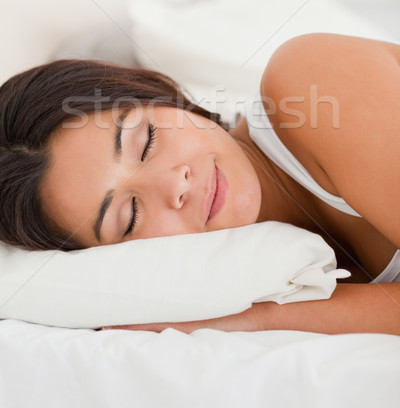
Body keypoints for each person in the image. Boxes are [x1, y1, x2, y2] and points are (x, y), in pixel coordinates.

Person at [0, 32, 399, 335]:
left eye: (147, 141)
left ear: (159, 97)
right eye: (130, 214)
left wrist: (260, 319)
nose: (174, 185)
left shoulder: (312, 80)